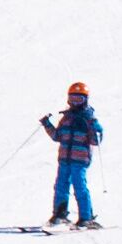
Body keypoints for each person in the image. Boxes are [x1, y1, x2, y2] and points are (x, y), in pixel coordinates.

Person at [41, 82, 104, 228]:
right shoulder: (66, 118)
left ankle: (85, 218)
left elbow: (96, 141)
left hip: (79, 161)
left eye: (78, 99)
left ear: (85, 100)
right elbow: (57, 136)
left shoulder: (88, 118)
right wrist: (47, 124)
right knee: (60, 186)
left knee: (79, 187)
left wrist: (95, 126)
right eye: (72, 99)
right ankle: (59, 214)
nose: (75, 103)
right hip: (64, 160)